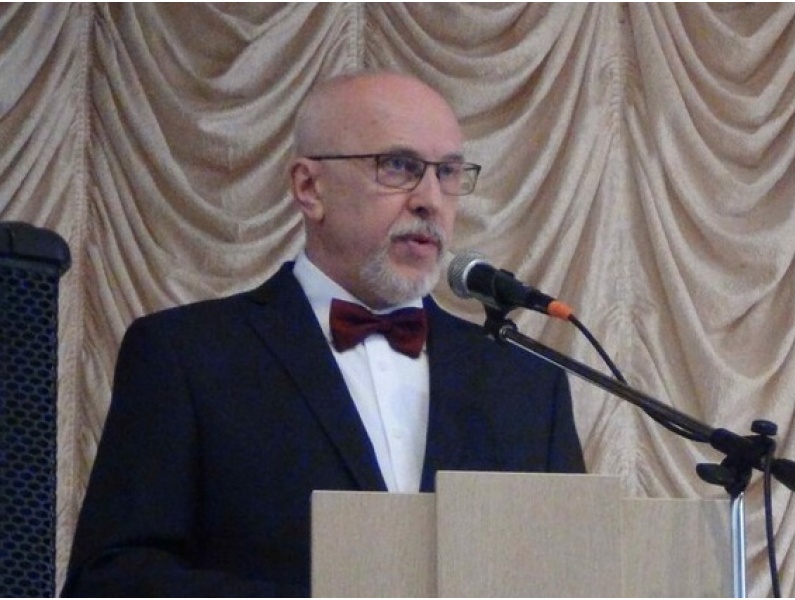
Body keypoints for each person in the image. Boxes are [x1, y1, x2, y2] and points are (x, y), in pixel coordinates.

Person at [62, 71, 585, 597]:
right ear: (309, 188)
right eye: (398, 166)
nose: (430, 199)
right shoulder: (187, 355)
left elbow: (573, 581)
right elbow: (108, 581)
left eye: (447, 172)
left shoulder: (528, 388)